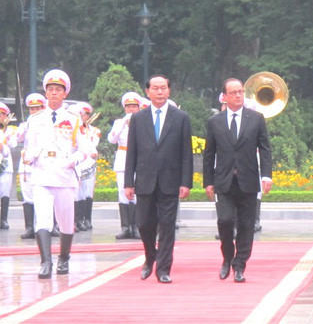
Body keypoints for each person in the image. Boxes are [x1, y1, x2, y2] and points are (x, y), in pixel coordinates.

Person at [24, 69, 92, 279]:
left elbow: (85, 150)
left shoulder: (74, 120)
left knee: (65, 222)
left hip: (64, 177)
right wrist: (30, 156)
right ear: (45, 93)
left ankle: (64, 257)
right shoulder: (34, 119)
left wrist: (72, 161)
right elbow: (29, 146)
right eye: (50, 89)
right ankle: (46, 262)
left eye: (58, 90)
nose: (53, 93)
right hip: (42, 175)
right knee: (42, 220)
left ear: (65, 93)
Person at [124, 75, 193, 283]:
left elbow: (186, 153)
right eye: (156, 88)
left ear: (169, 91)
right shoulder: (138, 118)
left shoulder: (180, 117)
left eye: (163, 88)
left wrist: (185, 182)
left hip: (170, 181)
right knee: (144, 224)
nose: (160, 92)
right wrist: (129, 182)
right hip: (145, 181)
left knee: (167, 225)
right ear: (148, 92)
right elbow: (132, 152)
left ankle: (163, 269)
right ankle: (150, 256)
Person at [203, 78, 272, 283]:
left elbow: (265, 149)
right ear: (224, 96)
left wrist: (266, 175)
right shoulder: (215, 122)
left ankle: (240, 264)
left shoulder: (256, 119)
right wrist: (208, 182)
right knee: (224, 221)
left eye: (241, 91)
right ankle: (227, 257)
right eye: (233, 92)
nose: (238, 95)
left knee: (246, 224)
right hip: (223, 181)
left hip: (248, 180)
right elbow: (209, 154)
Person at [108, 92, 141, 239]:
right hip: (123, 159)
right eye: (128, 106)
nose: (131, 109)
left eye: (134, 106)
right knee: (123, 193)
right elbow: (111, 139)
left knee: (138, 193)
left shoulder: (143, 121)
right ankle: (125, 227)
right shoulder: (118, 122)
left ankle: (137, 227)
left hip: (139, 160)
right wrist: (122, 124)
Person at [16, 93, 47, 238]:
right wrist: (26, 127)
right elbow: (18, 139)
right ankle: (29, 227)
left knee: (41, 197)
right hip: (26, 164)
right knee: (27, 196)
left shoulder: (47, 124)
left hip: (40, 164)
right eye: (32, 109)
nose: (34, 112)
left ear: (43, 108)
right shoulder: (25, 124)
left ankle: (42, 227)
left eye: (37, 109)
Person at [73, 102, 100, 231]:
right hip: (76, 161)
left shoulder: (93, 130)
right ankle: (77, 220)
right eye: (82, 115)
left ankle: (85, 219)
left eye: (86, 114)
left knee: (86, 191)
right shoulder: (76, 130)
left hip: (88, 162)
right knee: (77, 192)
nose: (84, 117)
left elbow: (93, 144)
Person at [0, 102, 17, 230]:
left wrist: (6, 135)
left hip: (5, 166)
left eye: (2, 115)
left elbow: (14, 145)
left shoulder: (10, 130)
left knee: (5, 192)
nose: (0, 117)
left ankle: (3, 219)